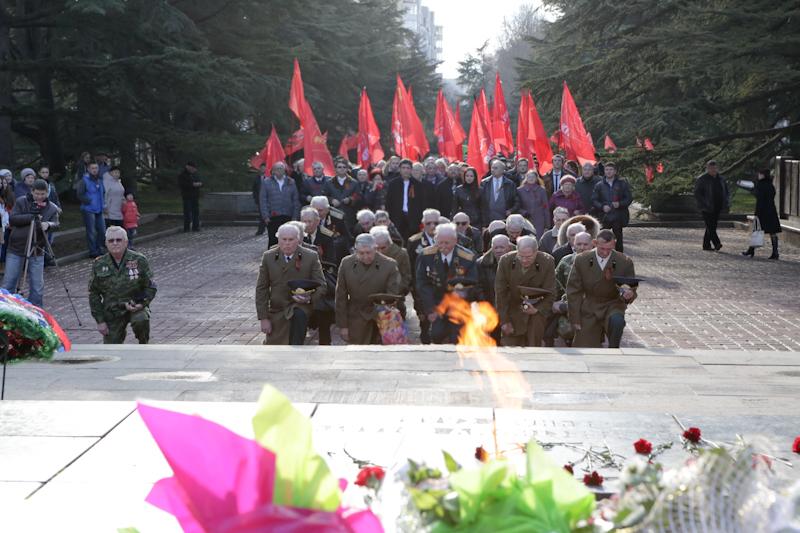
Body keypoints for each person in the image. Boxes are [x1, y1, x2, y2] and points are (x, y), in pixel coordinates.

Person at [255, 223, 326, 345]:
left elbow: (321, 285)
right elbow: (262, 288)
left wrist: (309, 298)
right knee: (274, 345)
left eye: (291, 240)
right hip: (277, 308)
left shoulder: (310, 256)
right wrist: (263, 318)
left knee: (298, 316)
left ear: (298, 240)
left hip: (300, 305)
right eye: (284, 239)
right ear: (278, 240)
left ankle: (297, 350)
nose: (287, 243)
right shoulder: (269, 257)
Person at [566, 229, 637, 348]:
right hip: (589, 306)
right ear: (595, 243)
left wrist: (628, 295)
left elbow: (631, 287)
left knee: (617, 321)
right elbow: (573, 291)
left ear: (614, 244)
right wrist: (575, 318)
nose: (605, 252)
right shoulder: (582, 260)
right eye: (602, 248)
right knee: (584, 347)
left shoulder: (624, 262)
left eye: (609, 249)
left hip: (613, 304)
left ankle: (614, 349)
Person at [88, 226, 157, 343]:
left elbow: (150, 286)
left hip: (135, 305)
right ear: (106, 243)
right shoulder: (99, 264)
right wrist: (100, 321)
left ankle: (144, 345)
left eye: (118, 240)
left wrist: (141, 304)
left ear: (126, 242)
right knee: (111, 346)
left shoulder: (139, 260)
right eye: (111, 241)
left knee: (141, 320)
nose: (115, 243)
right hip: (112, 311)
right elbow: (93, 293)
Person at [415, 223, 478, 344]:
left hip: (459, 304)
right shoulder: (426, 255)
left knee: (457, 338)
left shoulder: (467, 257)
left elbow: (473, 282)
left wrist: (463, 294)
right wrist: (430, 309)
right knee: (436, 335)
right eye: (440, 243)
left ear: (455, 241)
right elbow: (422, 283)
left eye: (447, 243)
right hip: (436, 302)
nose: (443, 246)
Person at [1, 179, 60, 307]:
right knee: (9, 282)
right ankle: (6, 309)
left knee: (37, 286)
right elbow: (13, 219)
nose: (39, 196)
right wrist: (31, 217)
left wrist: (48, 224)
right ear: (32, 191)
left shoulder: (51, 207)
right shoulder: (22, 201)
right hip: (16, 248)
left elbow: (56, 224)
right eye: (37, 193)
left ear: (47, 193)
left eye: (43, 194)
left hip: (37, 249)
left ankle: (36, 310)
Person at [335, 233, 401, 344]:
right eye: (361, 253)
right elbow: (340, 296)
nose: (365, 256)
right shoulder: (346, 263)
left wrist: (383, 315)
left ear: (375, 249)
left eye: (368, 252)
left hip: (382, 316)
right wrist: (343, 326)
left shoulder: (389, 265)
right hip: (356, 317)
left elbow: (392, 295)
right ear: (355, 250)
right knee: (358, 352)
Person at [494, 236, 555, 347]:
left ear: (536, 252)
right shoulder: (506, 261)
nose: (524, 260)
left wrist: (537, 309)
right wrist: (504, 321)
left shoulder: (547, 261)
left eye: (529, 257)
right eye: (521, 256)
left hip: (535, 314)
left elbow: (551, 293)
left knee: (533, 348)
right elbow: (500, 293)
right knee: (510, 349)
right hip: (512, 312)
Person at [546, 231, 594, 347]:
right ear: (573, 245)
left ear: (592, 244)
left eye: (585, 244)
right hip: (568, 304)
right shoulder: (565, 261)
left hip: (591, 307)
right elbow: (555, 284)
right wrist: (554, 302)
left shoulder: (599, 263)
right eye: (579, 244)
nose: (582, 247)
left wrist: (565, 306)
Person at [371, 226, 411, 316]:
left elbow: (406, 277)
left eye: (383, 248)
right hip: (371, 301)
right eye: (376, 248)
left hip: (394, 300)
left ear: (389, 244)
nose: (379, 251)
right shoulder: (367, 254)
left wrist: (391, 294)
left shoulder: (401, 254)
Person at [386, 159, 431, 240]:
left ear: (411, 170)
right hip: (397, 217)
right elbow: (389, 202)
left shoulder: (418, 185)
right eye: (403, 168)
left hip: (413, 218)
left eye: (408, 168)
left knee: (412, 240)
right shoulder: (393, 184)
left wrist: (420, 218)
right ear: (400, 169)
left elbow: (422, 203)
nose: (405, 170)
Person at [592, 162, 632, 252]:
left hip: (618, 215)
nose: (609, 172)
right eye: (607, 170)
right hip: (604, 216)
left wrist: (620, 204)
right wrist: (602, 207)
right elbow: (594, 200)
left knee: (618, 239)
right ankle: (601, 253)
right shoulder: (599, 185)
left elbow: (629, 198)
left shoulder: (622, 184)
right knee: (602, 238)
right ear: (604, 171)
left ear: (615, 171)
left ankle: (619, 256)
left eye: (611, 169)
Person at [741, 169, 781, 259]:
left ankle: (751, 250)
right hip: (771, 210)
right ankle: (775, 252)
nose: (758, 175)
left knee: (757, 230)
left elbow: (759, 197)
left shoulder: (760, 185)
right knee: (772, 232)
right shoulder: (770, 185)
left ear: (762, 175)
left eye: (759, 174)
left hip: (762, 210)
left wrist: (752, 191)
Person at [260, 161, 301, 247]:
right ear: (273, 171)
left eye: (281, 169)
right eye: (277, 169)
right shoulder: (266, 182)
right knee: (273, 240)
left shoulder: (291, 182)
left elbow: (295, 200)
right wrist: (265, 216)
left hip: (288, 216)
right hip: (273, 216)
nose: (279, 171)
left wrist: (295, 216)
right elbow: (263, 200)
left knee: (288, 240)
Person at [693, 160, 729, 252]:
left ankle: (706, 245)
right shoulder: (702, 179)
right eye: (711, 168)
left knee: (712, 225)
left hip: (717, 205)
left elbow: (726, 191)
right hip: (706, 206)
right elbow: (697, 193)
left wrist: (726, 201)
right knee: (710, 226)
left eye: (715, 168)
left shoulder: (721, 179)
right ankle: (717, 243)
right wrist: (703, 203)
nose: (713, 170)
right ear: (707, 169)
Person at [76, 161, 107, 258]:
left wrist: (104, 205)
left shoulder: (99, 180)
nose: (95, 170)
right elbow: (79, 194)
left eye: (96, 168)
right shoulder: (84, 181)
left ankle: (100, 248)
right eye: (92, 168)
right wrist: (88, 201)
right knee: (91, 231)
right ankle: (93, 251)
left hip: (99, 209)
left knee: (102, 230)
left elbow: (103, 192)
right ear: (88, 169)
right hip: (88, 209)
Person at [311, 195, 350, 263]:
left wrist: (331, 242)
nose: (317, 213)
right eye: (314, 210)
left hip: (332, 246)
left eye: (320, 210)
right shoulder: (306, 215)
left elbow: (346, 236)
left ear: (327, 209)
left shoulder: (338, 217)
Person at [322, 159, 360, 228]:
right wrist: (331, 200)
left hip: (349, 215)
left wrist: (350, 199)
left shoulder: (354, 183)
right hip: (334, 214)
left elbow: (358, 196)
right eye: (339, 167)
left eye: (344, 167)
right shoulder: (329, 183)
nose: (342, 169)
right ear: (335, 169)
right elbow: (324, 196)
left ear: (347, 169)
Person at [480, 159, 519, 225]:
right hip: (488, 219)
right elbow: (480, 202)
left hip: (504, 219)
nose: (493, 170)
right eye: (492, 168)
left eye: (495, 168)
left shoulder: (510, 184)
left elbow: (517, 201)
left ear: (502, 170)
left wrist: (511, 210)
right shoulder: (484, 183)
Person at [517, 170, 550, 238]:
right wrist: (523, 212)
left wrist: (547, 224)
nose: (531, 179)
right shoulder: (519, 190)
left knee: (538, 239)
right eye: (529, 177)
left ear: (536, 178)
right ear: (526, 178)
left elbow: (545, 207)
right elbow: (517, 206)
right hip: (525, 219)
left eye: (533, 177)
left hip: (539, 220)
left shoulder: (542, 190)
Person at [178, 162, 202, 232]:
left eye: (195, 168)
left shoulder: (195, 175)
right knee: (187, 212)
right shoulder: (182, 175)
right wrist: (192, 185)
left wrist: (199, 184)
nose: (194, 170)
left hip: (195, 196)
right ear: (188, 167)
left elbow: (200, 181)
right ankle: (187, 227)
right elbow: (182, 185)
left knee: (196, 212)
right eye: (193, 168)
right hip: (187, 196)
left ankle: (196, 226)